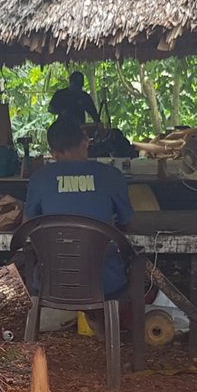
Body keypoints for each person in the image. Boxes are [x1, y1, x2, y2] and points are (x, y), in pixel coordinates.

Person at [25, 114, 134, 297]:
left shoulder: (39, 179)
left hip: (51, 281)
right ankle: (109, 321)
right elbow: (131, 225)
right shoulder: (112, 176)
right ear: (86, 142)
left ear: (53, 152)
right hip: (104, 282)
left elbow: (27, 226)